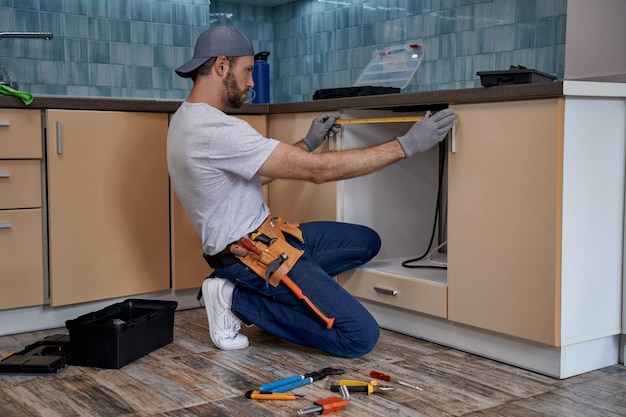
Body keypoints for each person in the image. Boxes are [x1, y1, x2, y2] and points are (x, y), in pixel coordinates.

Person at [167, 26, 456, 358]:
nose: (251, 82)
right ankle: (234, 297)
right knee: (359, 336)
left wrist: (307, 144)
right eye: (247, 70)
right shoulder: (215, 128)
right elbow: (318, 172)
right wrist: (406, 145)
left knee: (366, 241)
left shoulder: (187, 118)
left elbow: (254, 174)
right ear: (221, 66)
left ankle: (289, 287)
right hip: (248, 257)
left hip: (268, 236)